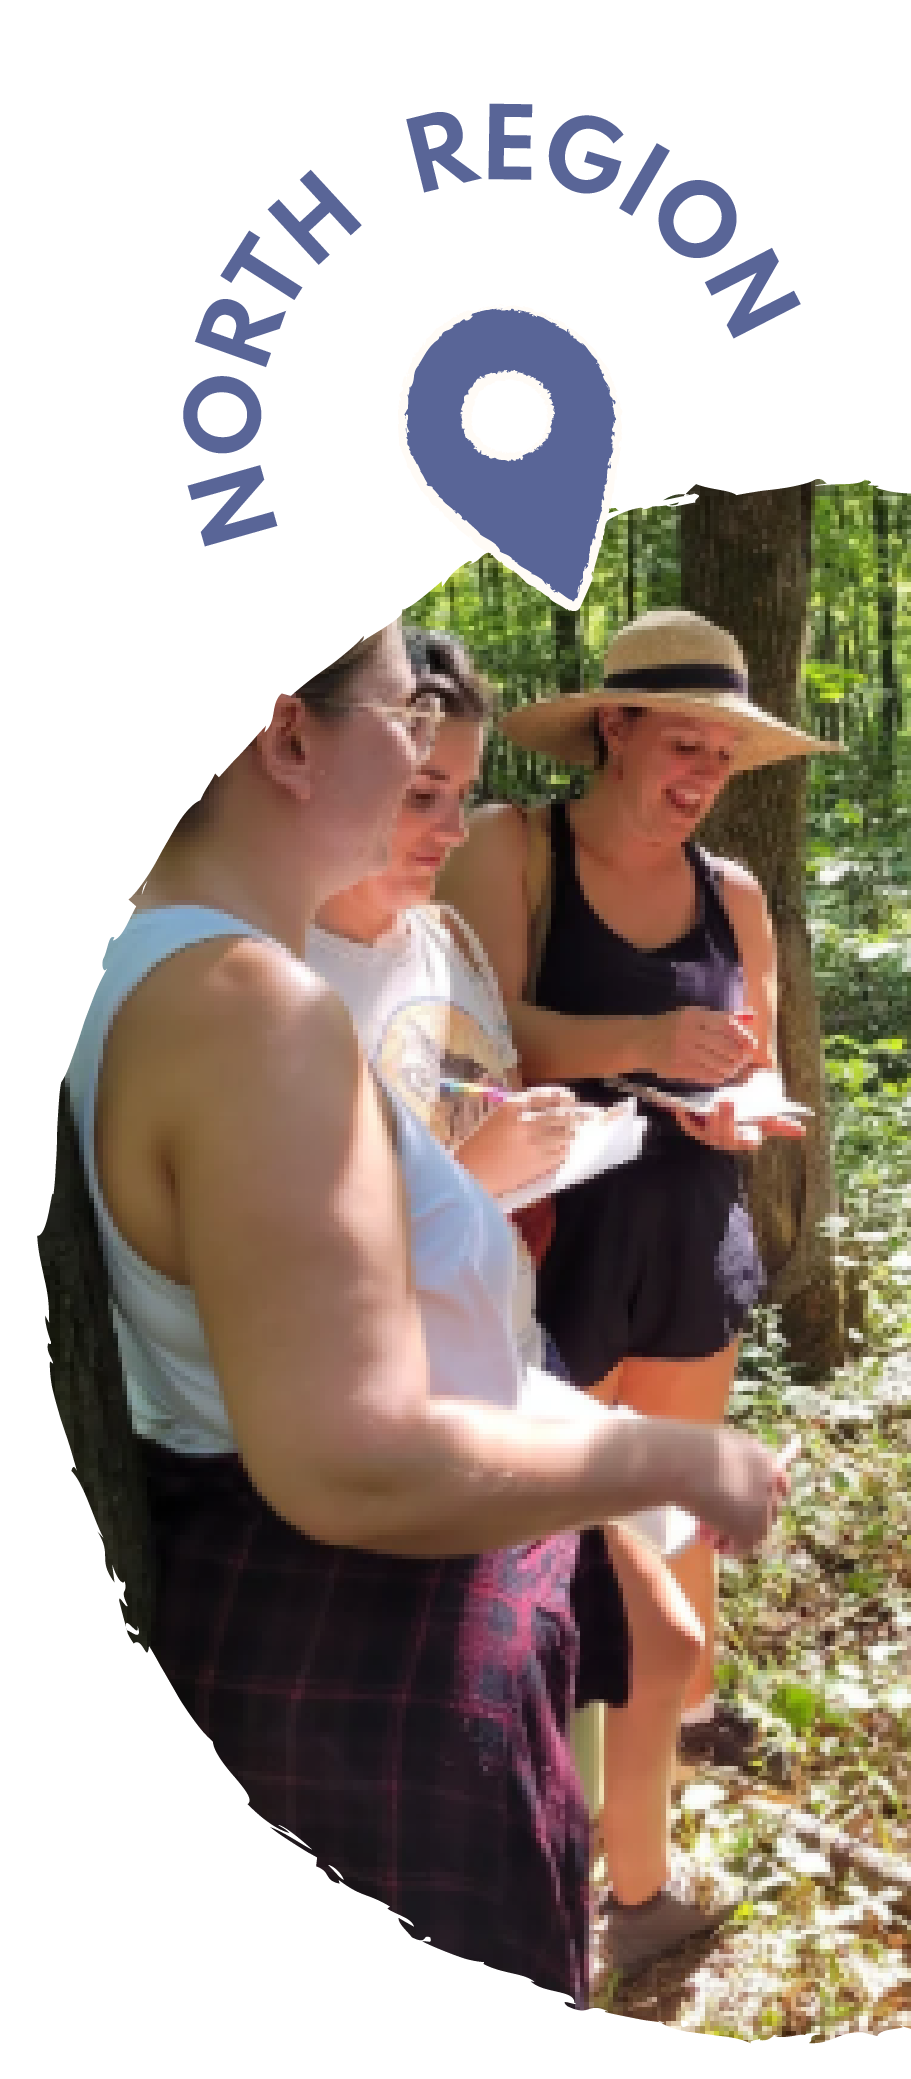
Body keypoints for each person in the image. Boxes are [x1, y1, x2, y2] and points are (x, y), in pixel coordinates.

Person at [65, 620, 794, 2007]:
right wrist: (673, 1460)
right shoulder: (247, 1007)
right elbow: (351, 1458)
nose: (431, 775)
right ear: (290, 739)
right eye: (407, 722)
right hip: (369, 1653)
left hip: (368, 1617)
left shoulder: (177, 969)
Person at [304, 623, 715, 1960]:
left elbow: (463, 1080)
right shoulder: (286, 975)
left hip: (509, 1367)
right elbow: (307, 1264)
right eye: (421, 792)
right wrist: (478, 1170)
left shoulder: (434, 942)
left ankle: (600, 1889)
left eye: (463, 795)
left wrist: (523, 1127)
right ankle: (575, 1911)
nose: (446, 825)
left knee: (661, 1645)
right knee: (644, 1648)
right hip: (413, 1432)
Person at [437, 605, 833, 1971]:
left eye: (721, 755)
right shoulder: (514, 849)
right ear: (611, 727)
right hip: (556, 1243)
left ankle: (661, 1771)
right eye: (679, 743)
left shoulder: (736, 891)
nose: (699, 775)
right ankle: (589, 1836)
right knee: (577, 1554)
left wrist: (740, 1103)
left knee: (680, 1525)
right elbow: (477, 1035)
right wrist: (649, 1040)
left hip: (692, 1234)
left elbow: (760, 1059)